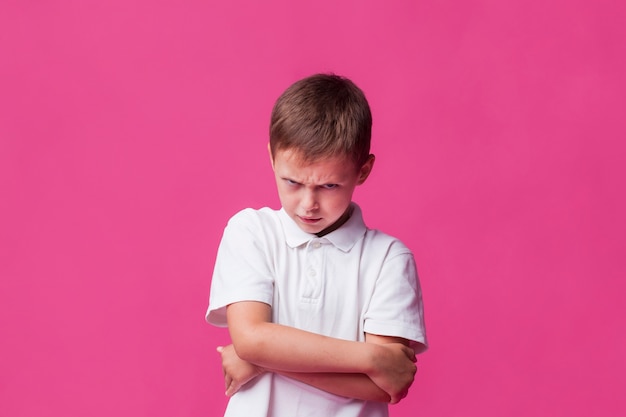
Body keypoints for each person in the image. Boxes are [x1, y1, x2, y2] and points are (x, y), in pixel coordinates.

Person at [206, 73, 427, 417]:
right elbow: (251, 339)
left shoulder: (388, 259)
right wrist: (370, 357)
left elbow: (386, 384)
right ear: (272, 158)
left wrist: (263, 362)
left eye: (329, 186)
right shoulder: (251, 231)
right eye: (292, 182)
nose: (308, 203)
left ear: (363, 171)